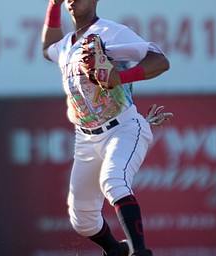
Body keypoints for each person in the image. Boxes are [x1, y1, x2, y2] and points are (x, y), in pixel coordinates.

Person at [42, 0, 170, 255]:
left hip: (122, 128)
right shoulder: (67, 44)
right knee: (83, 219)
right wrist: (53, 5)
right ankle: (115, 250)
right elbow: (48, 47)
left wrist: (119, 77)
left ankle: (139, 251)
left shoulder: (111, 32)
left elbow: (160, 61)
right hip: (86, 138)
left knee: (114, 181)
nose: (72, 0)